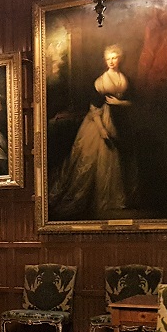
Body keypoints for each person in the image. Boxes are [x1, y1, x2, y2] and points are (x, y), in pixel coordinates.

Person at [49, 44, 130, 220]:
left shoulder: (123, 78)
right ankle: (90, 202)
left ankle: (111, 200)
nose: (111, 61)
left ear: (119, 59)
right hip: (97, 123)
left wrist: (121, 104)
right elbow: (94, 108)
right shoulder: (101, 81)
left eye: (114, 57)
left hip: (117, 122)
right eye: (108, 58)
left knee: (112, 162)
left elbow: (130, 102)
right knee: (90, 161)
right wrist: (102, 131)